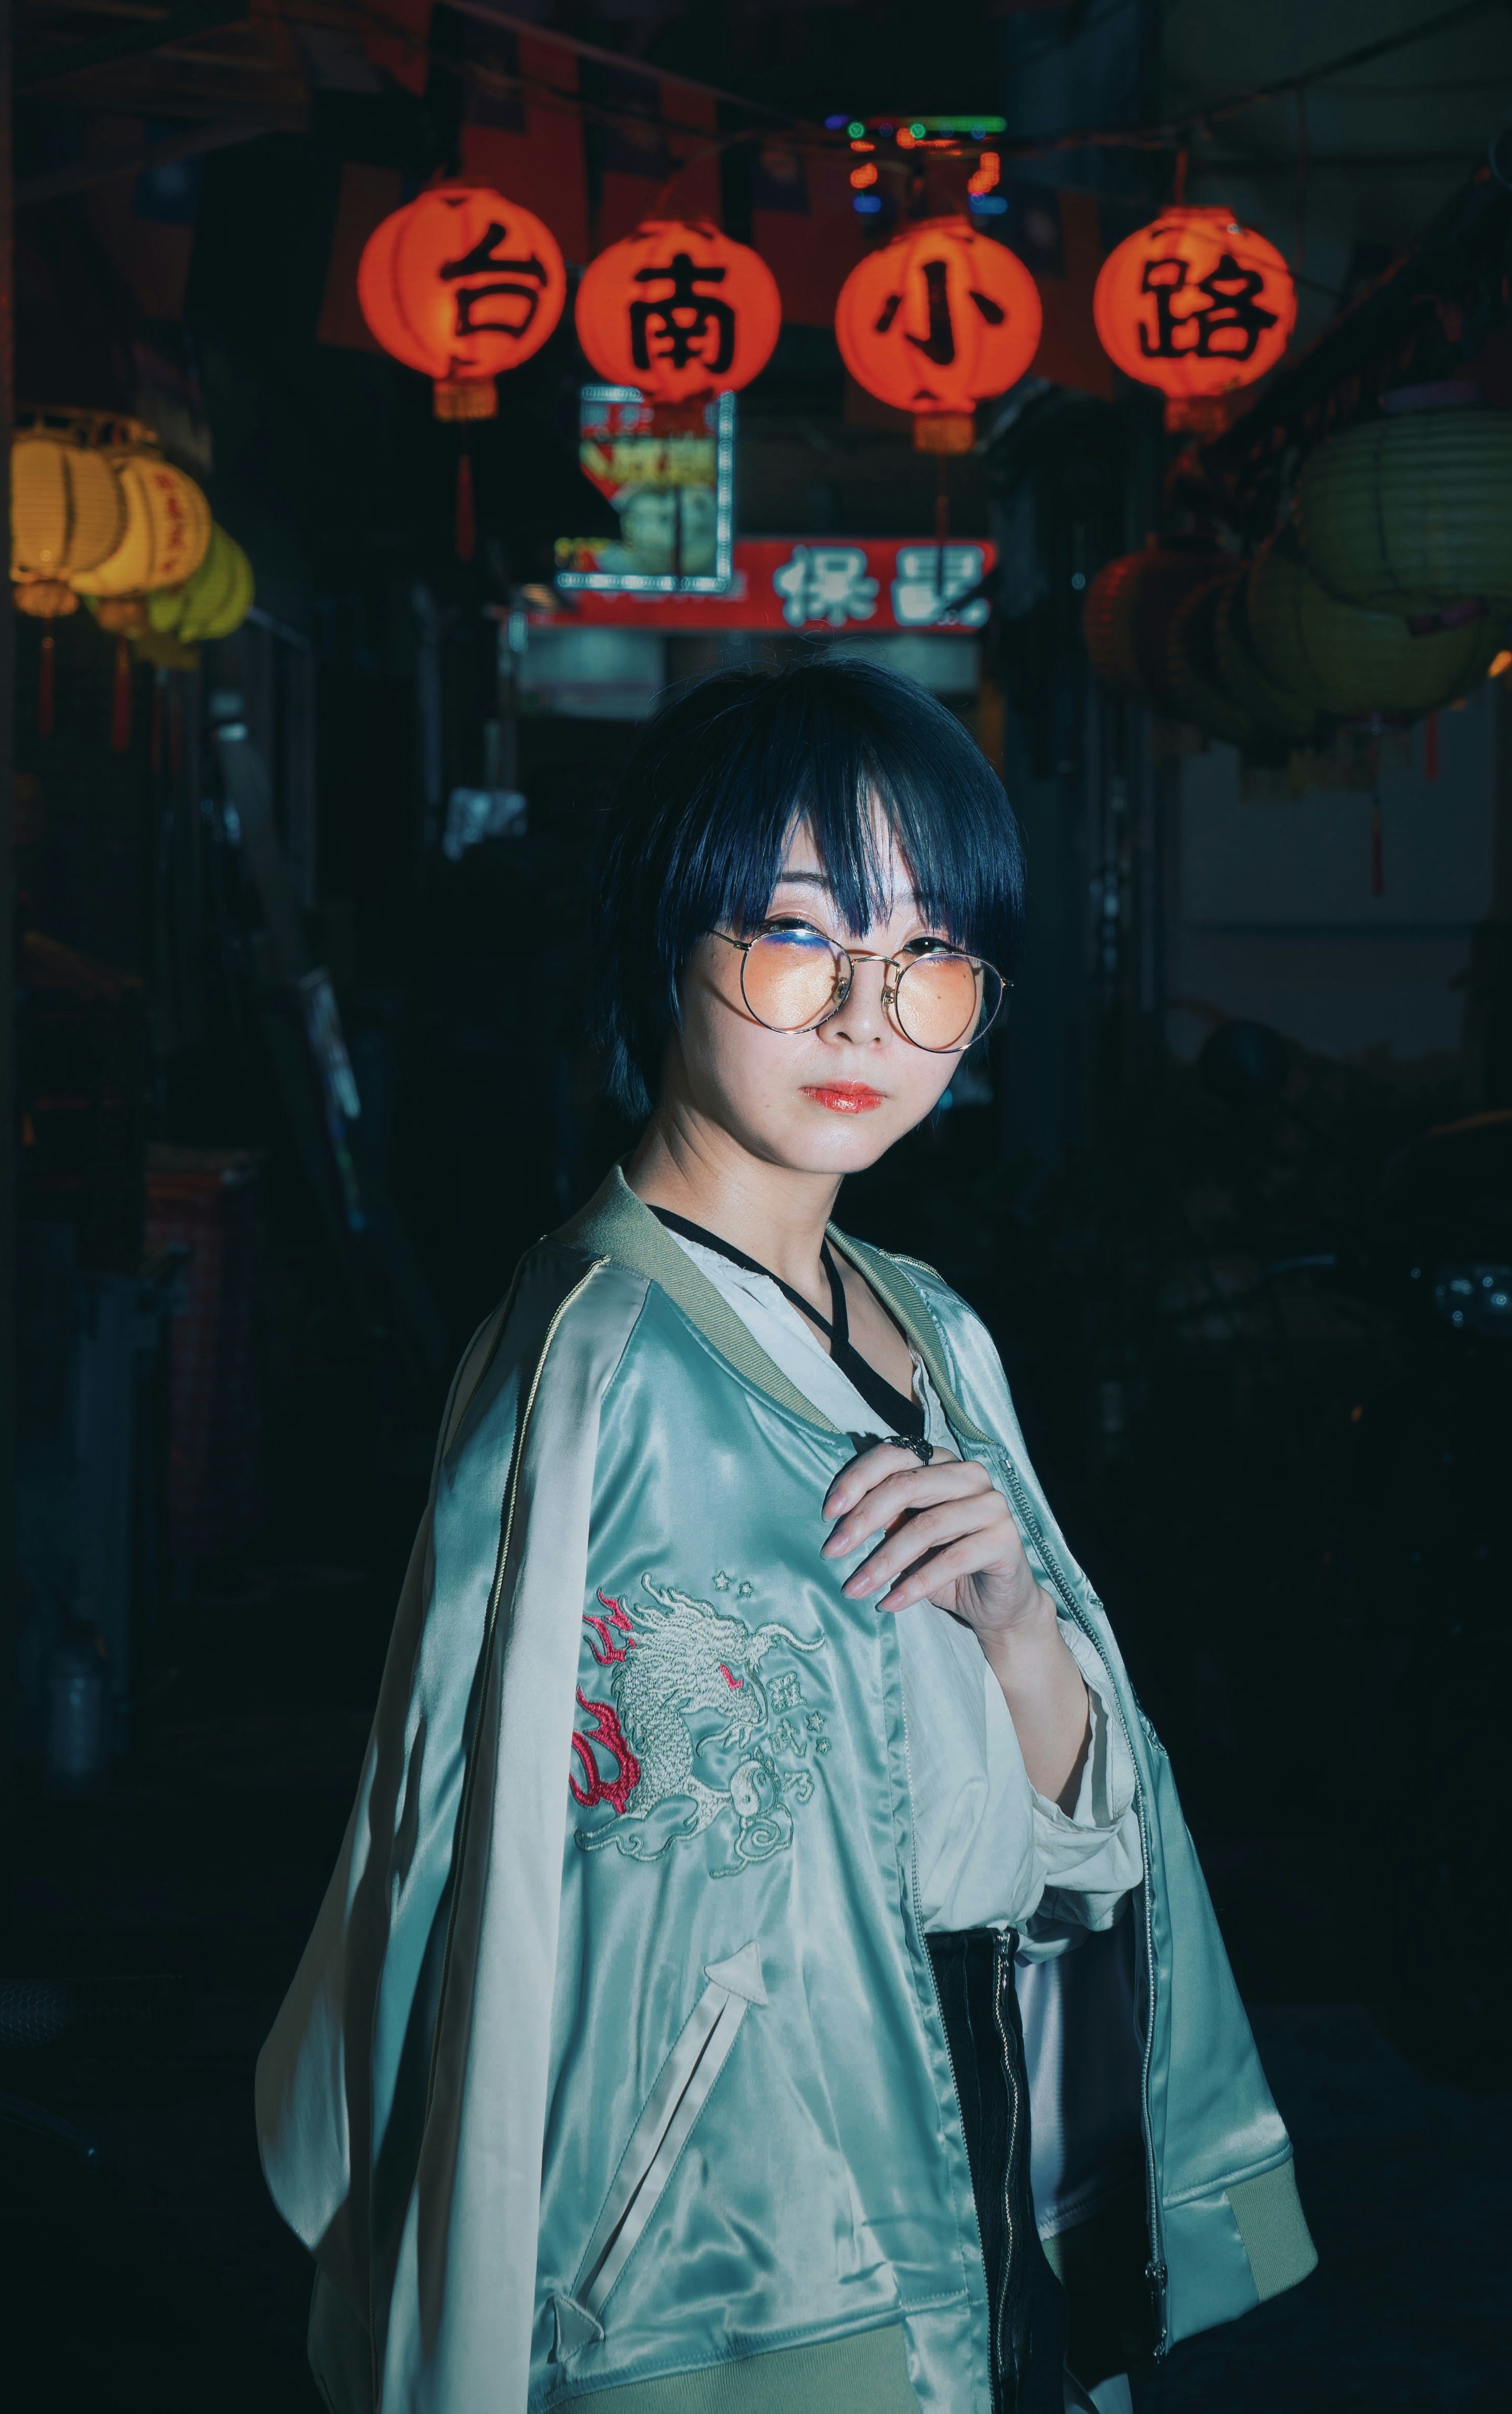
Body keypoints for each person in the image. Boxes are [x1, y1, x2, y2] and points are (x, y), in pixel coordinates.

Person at [256, 657, 1314, 2414]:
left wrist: (1023, 1633)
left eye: (929, 961)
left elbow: (1062, 1811)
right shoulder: (595, 1366)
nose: (863, 1021)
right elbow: (511, 1918)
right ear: (669, 941)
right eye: (798, 939)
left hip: (988, 2160)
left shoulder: (932, 1325)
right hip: (725, 2263)